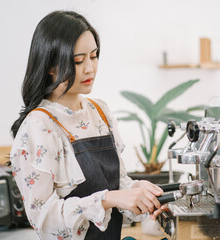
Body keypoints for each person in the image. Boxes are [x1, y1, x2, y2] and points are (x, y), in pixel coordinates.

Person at [10, 11, 166, 240]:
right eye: (77, 61)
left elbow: (118, 183)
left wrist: (136, 191)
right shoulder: (38, 126)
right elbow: (42, 218)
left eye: (93, 56)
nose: (90, 69)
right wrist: (107, 199)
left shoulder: (100, 112)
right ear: (50, 66)